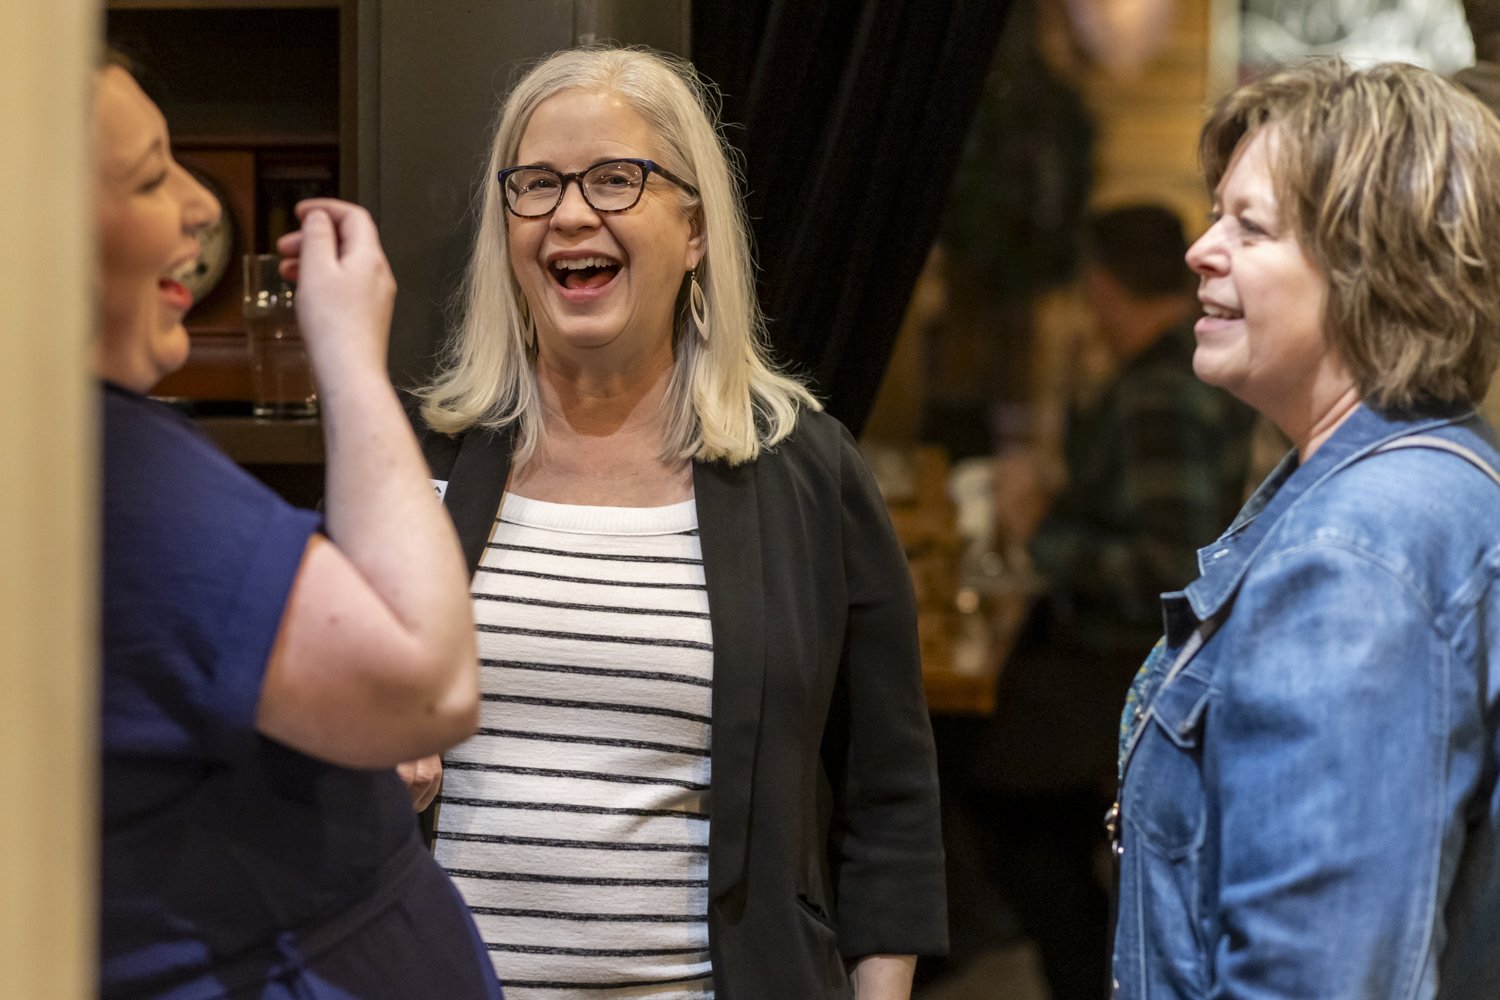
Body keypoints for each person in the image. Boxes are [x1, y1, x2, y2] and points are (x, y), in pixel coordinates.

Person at [407, 45, 947, 999]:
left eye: (617, 179)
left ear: (694, 228)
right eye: (536, 185)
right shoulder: (424, 463)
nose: (572, 212)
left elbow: (890, 795)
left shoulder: (808, 471)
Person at [96, 60, 502, 998]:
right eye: (153, 175)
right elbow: (428, 684)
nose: (201, 206)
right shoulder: (119, 479)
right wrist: (352, 356)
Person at [1112, 59, 1500, 998]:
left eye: (1251, 227)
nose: (1203, 249)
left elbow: (1314, 977)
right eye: (1216, 216)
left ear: (1377, 272)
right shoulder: (1434, 473)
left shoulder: (1356, 556)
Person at [939, 205, 1252, 999]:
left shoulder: (1157, 389)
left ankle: (1057, 963)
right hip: (1130, 663)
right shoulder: (1173, 370)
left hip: (1128, 668)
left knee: (965, 761)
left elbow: (1171, 564)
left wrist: (1045, 532)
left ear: (1106, 286)